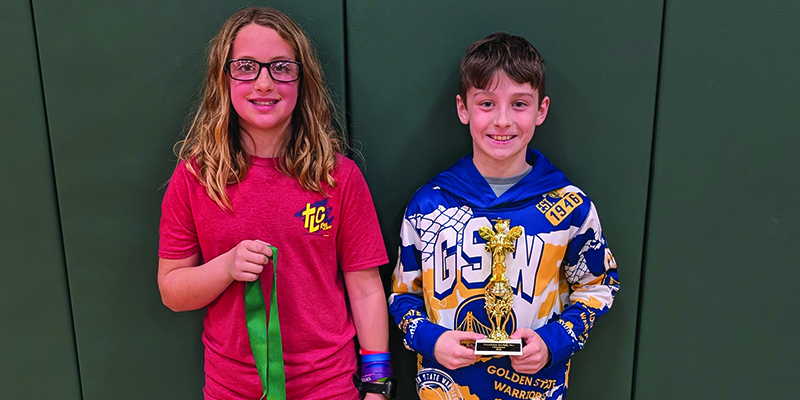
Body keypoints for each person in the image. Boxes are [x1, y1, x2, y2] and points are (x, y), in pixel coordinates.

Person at [157, 7, 392, 400]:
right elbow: (172, 290)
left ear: (302, 80)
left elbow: (365, 291)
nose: (264, 83)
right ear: (224, 78)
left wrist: (378, 384)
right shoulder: (195, 176)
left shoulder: (339, 176)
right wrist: (226, 267)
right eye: (247, 67)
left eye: (281, 67)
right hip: (231, 388)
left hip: (329, 386)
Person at [388, 32, 620, 400]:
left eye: (519, 104)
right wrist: (432, 340)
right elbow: (403, 295)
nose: (501, 120)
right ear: (463, 109)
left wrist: (552, 342)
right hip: (446, 389)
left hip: (534, 389)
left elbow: (598, 286)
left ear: (541, 110)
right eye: (486, 103)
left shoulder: (571, 207)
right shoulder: (428, 205)